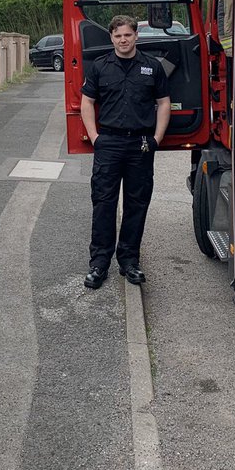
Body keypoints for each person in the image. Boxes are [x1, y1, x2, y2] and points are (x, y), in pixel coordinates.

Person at [79, 15, 171, 289]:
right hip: (109, 144)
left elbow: (163, 103)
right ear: (111, 38)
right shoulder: (99, 67)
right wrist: (95, 137)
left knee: (136, 205)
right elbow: (87, 102)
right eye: (118, 36)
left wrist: (156, 138)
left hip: (141, 146)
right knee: (104, 204)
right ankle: (99, 264)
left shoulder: (152, 67)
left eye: (128, 35)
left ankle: (129, 262)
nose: (123, 40)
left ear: (136, 36)